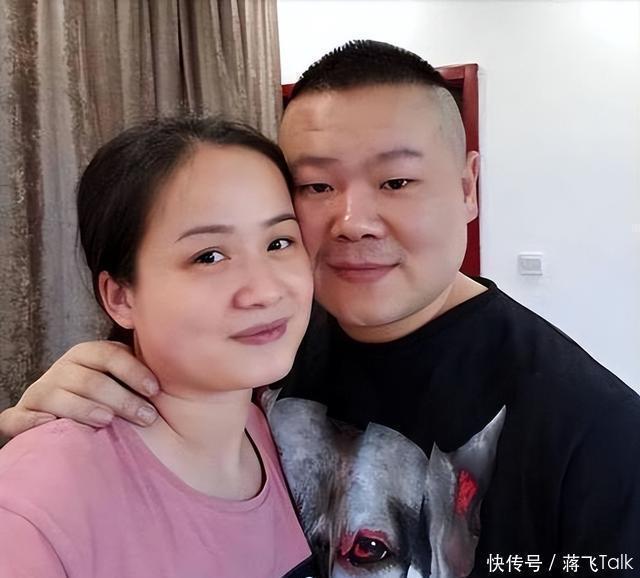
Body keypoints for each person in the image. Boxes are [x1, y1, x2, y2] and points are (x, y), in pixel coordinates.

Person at [3, 41, 640, 577]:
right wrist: (38, 425)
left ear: (468, 187)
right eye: (316, 186)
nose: (353, 221)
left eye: (396, 181)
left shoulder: (595, 430)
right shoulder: (264, 349)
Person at [0, 117, 318, 577]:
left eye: (279, 242)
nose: (265, 291)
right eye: (209, 256)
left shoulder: (277, 436)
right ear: (120, 297)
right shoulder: (38, 500)